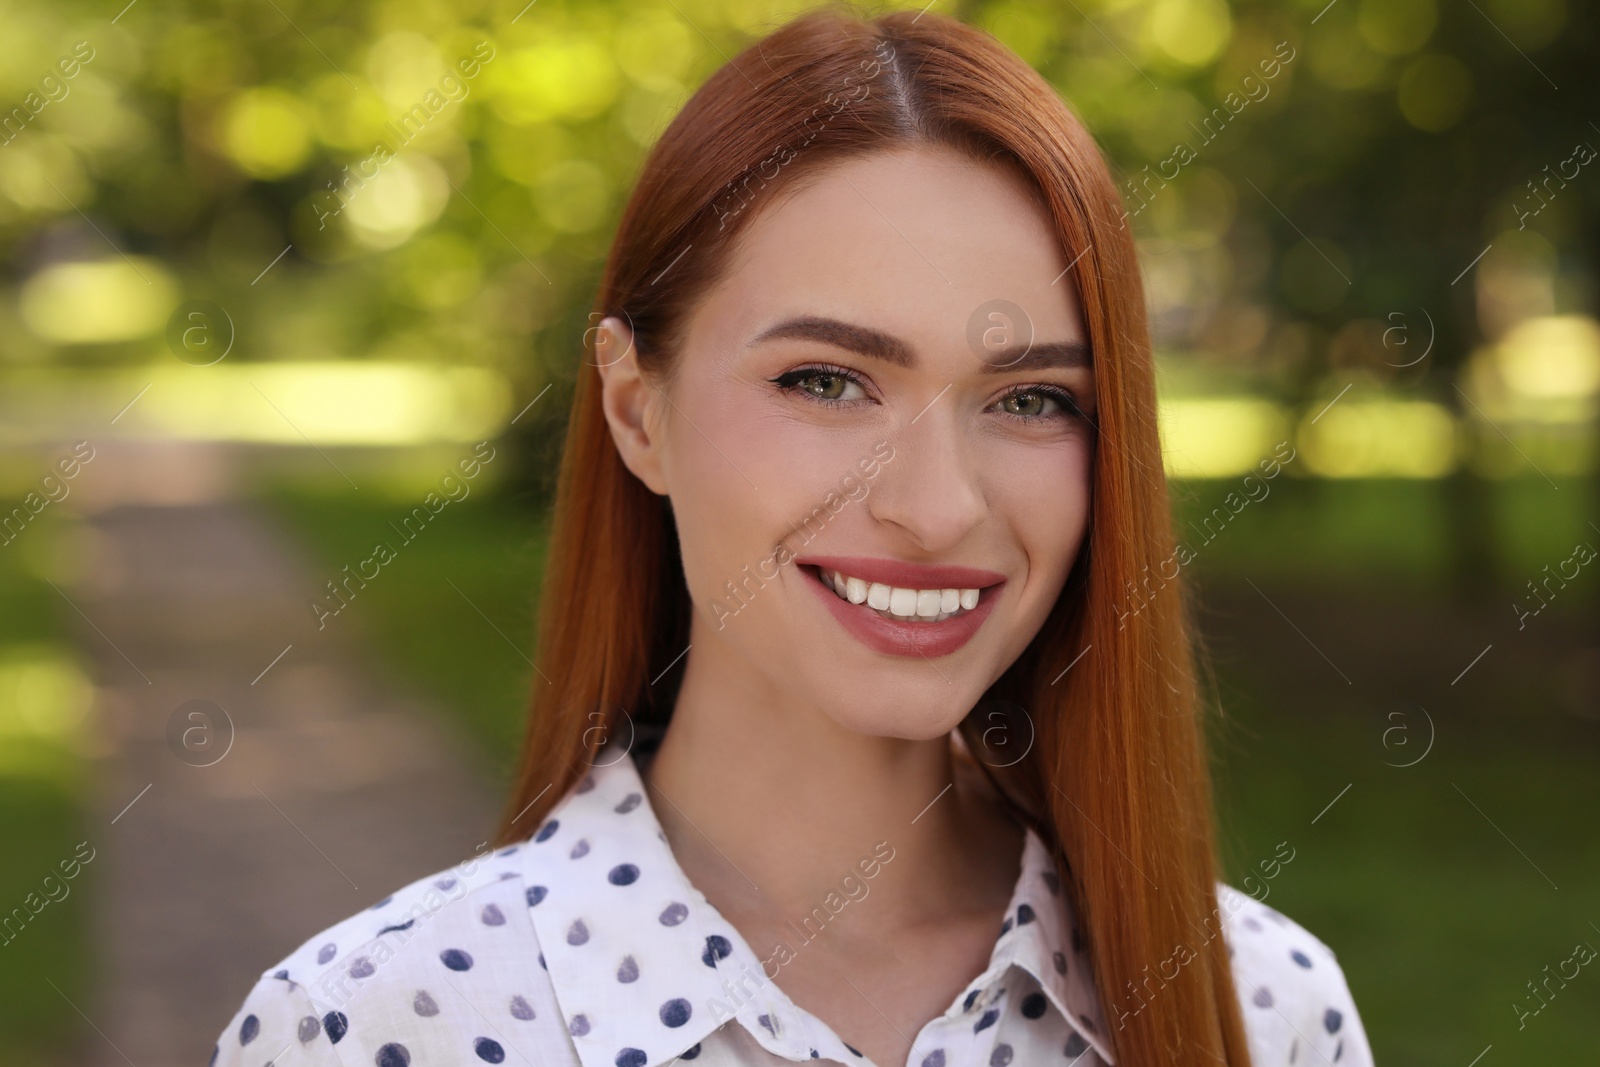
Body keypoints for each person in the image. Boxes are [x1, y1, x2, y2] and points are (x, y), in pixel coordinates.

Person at [211, 6, 1372, 1066]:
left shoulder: (1262, 1010)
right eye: (825, 379)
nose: (936, 505)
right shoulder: (367, 1027)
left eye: (1028, 399)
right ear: (635, 410)